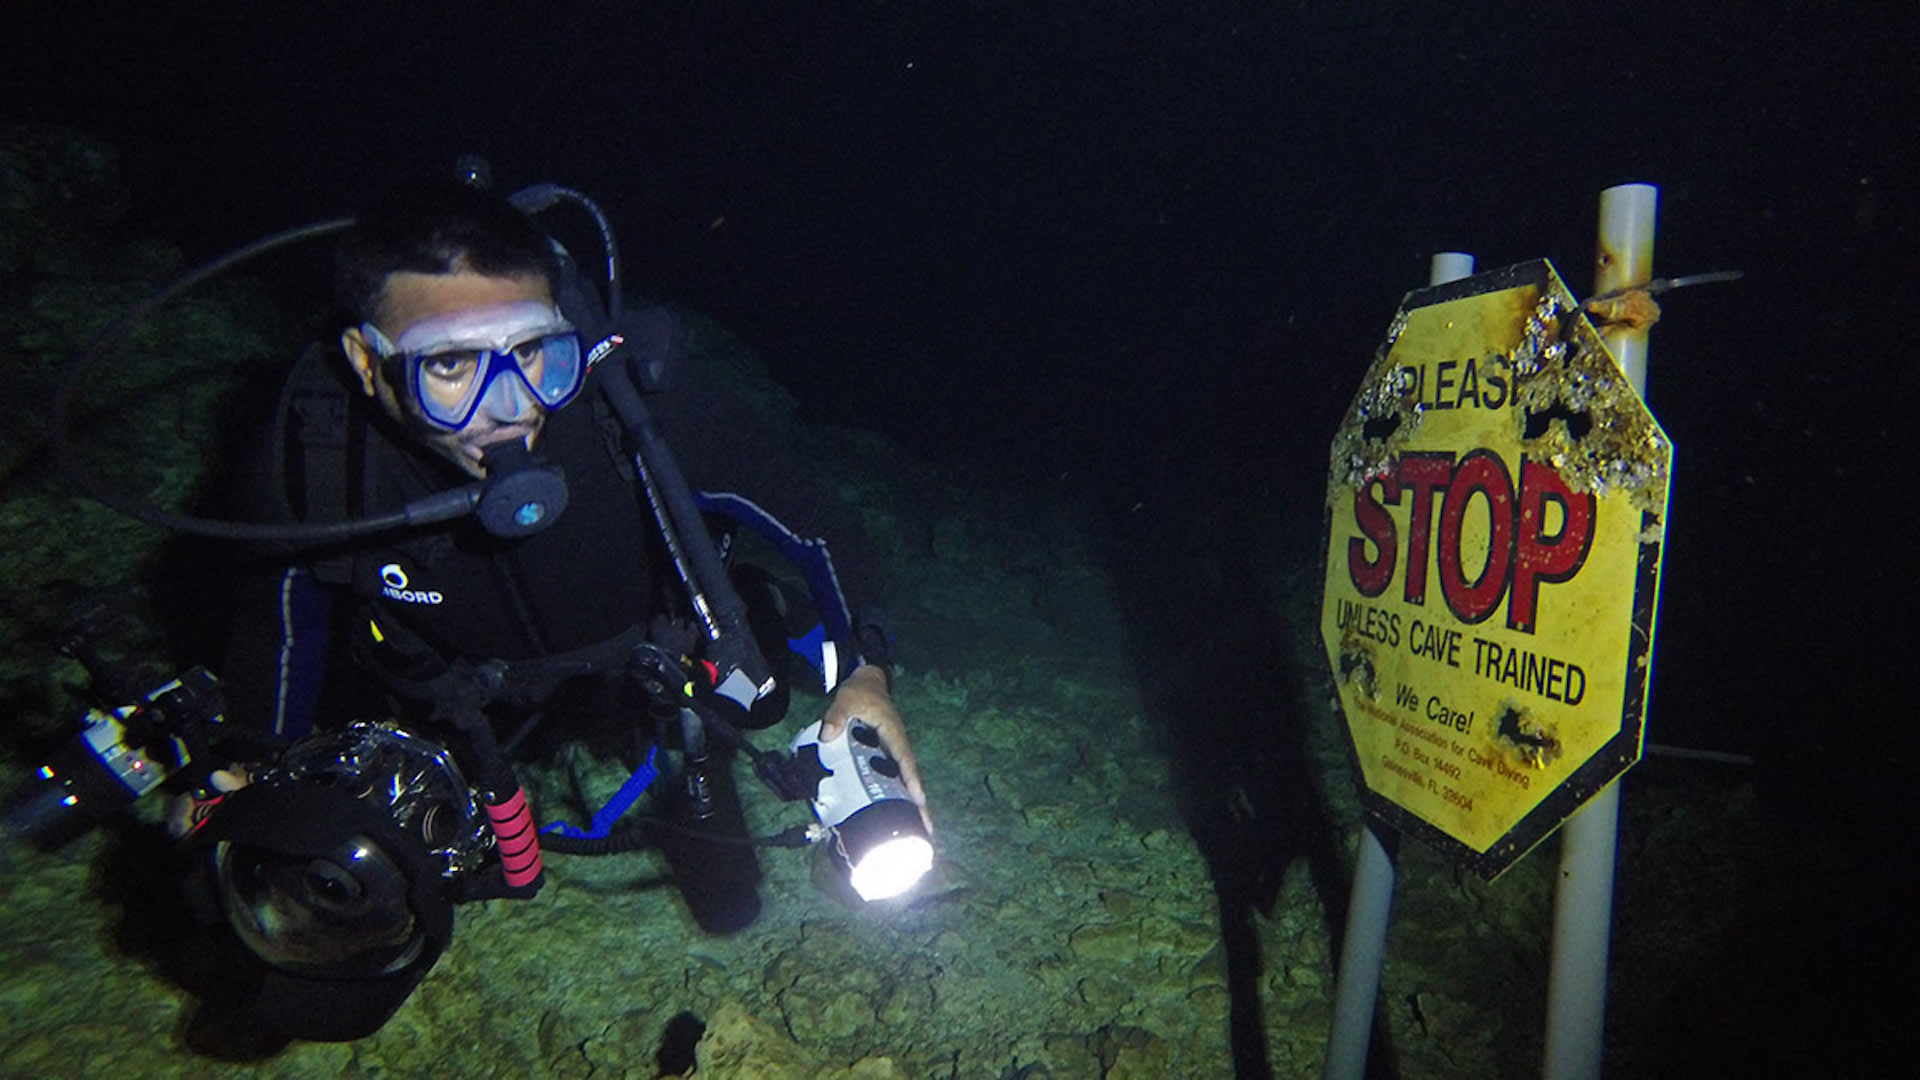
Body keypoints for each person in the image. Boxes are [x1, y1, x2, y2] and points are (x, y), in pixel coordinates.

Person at [182, 180, 927, 1041]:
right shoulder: (317, 448)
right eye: (450, 366)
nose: (510, 408)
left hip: (654, 659)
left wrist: (867, 669)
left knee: (731, 894)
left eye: (536, 353)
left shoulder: (634, 395)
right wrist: (254, 757)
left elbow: (820, 522)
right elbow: (279, 615)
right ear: (364, 363)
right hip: (459, 693)